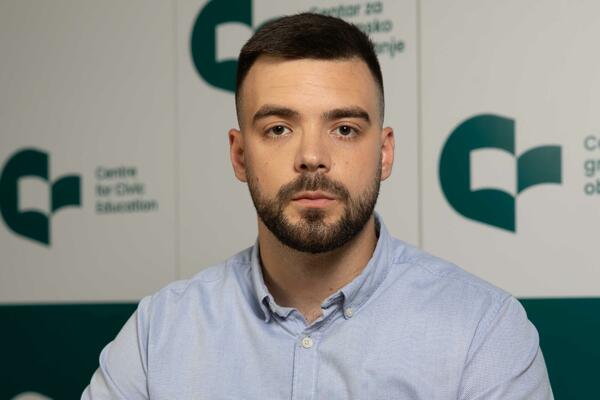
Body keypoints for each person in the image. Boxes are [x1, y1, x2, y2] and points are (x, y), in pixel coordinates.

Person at [82, 12, 553, 399]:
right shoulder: (159, 335)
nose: (312, 156)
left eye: (344, 129)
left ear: (384, 153)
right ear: (240, 155)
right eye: (279, 129)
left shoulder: (482, 331)